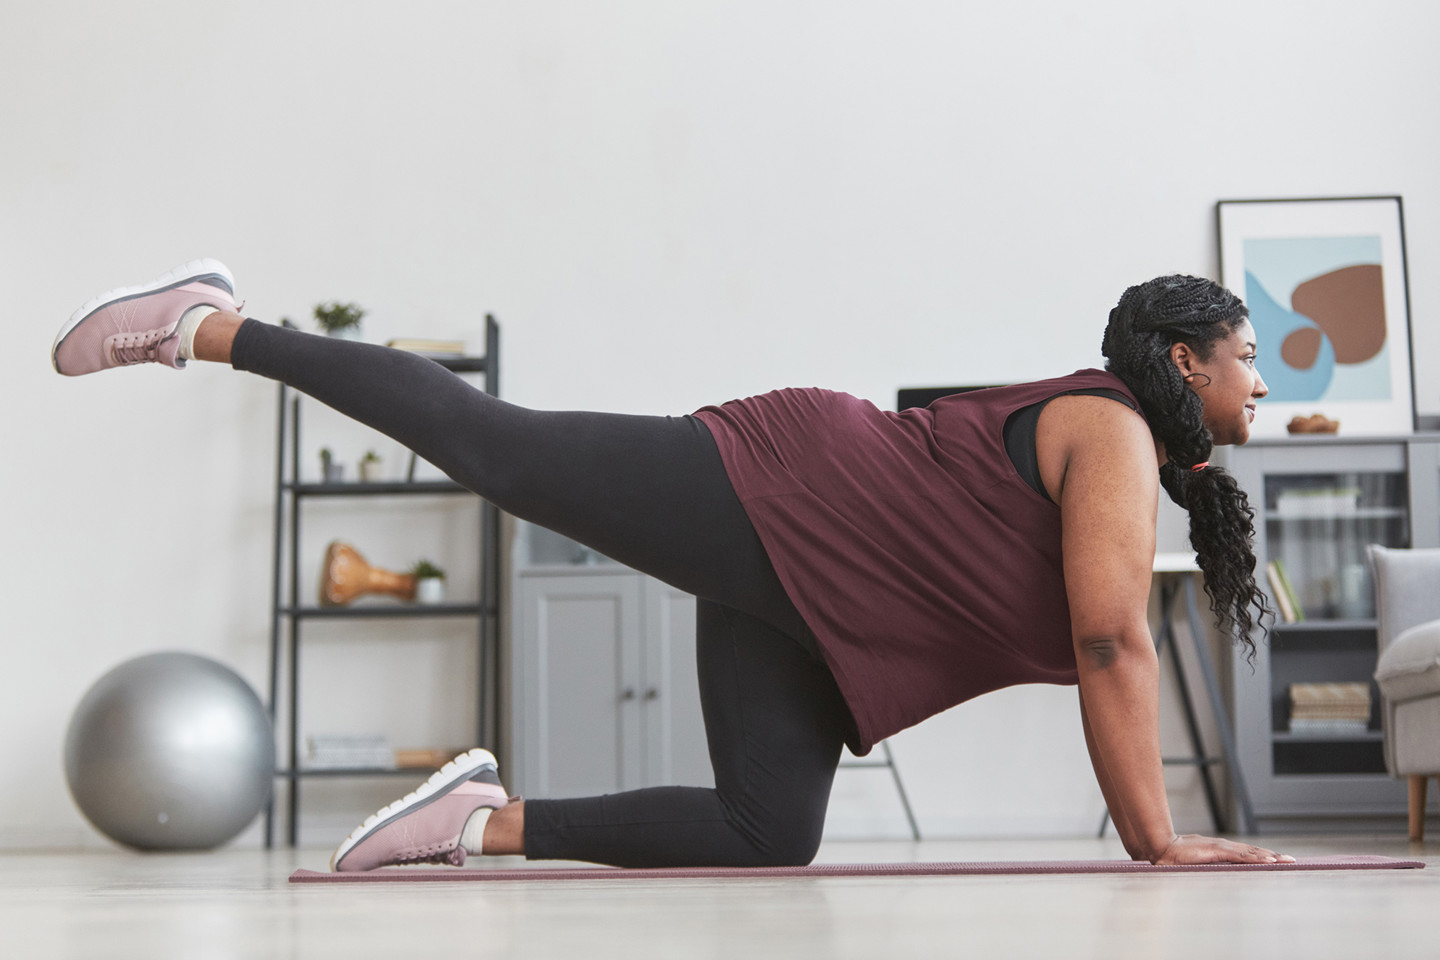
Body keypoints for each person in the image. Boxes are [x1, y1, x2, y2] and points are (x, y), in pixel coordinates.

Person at [53, 260, 1294, 870]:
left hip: (828, 614)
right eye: (1246, 353)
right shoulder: (1119, 432)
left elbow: (1099, 633)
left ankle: (474, 823)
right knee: (504, 450)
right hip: (790, 496)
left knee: (768, 834)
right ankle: (211, 324)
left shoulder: (1148, 460)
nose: (1261, 377)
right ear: (1183, 361)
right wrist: (1161, 842)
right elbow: (1109, 642)